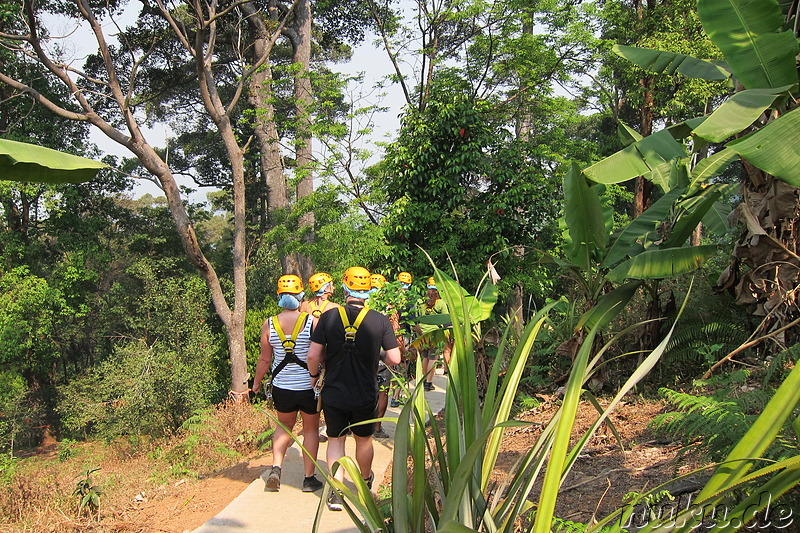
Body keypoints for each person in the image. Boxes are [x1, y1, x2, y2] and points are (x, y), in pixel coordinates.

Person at [307, 266, 402, 511]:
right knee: (364, 440)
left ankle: (336, 493)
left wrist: (314, 376)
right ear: (368, 289)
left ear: (346, 287)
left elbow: (313, 354)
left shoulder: (329, 317)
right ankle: (365, 480)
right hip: (365, 391)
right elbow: (395, 358)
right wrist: (377, 355)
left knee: (336, 441)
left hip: (335, 391)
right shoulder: (380, 320)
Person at [252, 274, 324, 493]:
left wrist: (255, 384)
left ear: (280, 296)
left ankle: (276, 468)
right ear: (301, 295)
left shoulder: (269, 324)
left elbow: (265, 359)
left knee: (283, 427)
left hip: (282, 386)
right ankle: (309, 479)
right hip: (308, 387)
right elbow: (319, 354)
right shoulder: (312, 321)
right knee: (310, 430)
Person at [368, 273, 405, 439]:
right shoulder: (390, 307)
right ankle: (377, 427)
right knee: (383, 391)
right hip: (383, 356)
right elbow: (396, 331)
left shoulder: (363, 304)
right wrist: (400, 349)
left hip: (362, 355)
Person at [416, 277, 453, 392]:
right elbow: (446, 320)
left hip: (422, 334)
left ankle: (423, 381)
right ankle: (429, 383)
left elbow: (416, 318)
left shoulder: (420, 301)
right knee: (433, 358)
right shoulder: (441, 303)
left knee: (425, 357)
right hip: (435, 335)